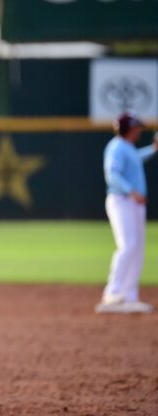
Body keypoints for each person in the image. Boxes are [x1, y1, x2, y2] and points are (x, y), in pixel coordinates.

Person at [96, 112, 157, 314]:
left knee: (137, 249)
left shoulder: (128, 148)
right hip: (121, 201)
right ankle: (112, 292)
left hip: (133, 204)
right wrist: (131, 191)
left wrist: (153, 149)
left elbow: (135, 159)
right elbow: (111, 174)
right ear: (129, 129)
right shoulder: (116, 147)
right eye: (137, 127)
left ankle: (130, 295)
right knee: (128, 245)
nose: (139, 130)